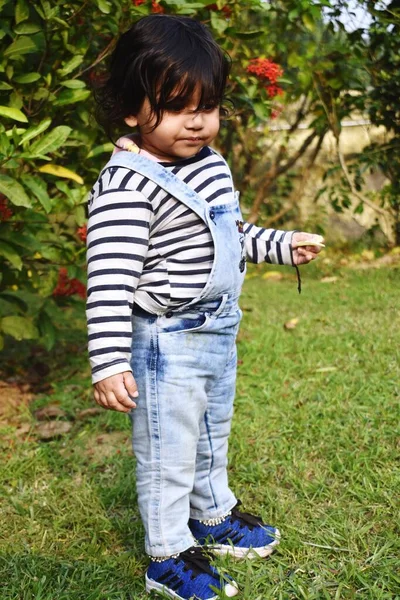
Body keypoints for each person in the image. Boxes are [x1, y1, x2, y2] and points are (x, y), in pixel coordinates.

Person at [87, 14, 324, 600]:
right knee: (169, 448)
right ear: (130, 108)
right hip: (166, 340)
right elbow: (109, 279)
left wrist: (282, 245)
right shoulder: (128, 187)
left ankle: (211, 514)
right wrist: (110, 360)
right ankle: (167, 553)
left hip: (216, 330)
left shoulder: (208, 164)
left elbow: (230, 234)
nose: (196, 120)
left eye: (208, 104)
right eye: (174, 106)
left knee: (211, 431)